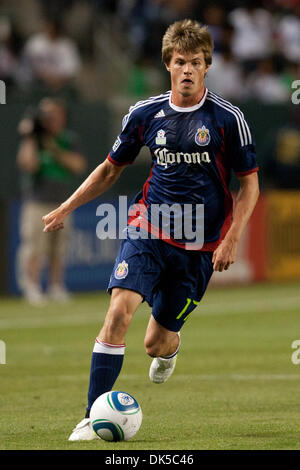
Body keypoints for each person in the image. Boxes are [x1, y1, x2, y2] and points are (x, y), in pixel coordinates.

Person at [42, 19, 259, 440]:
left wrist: (233, 237)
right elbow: (110, 170)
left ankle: (170, 349)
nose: (188, 70)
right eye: (181, 62)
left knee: (155, 343)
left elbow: (249, 183)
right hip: (148, 229)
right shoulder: (145, 114)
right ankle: (91, 414)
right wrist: (66, 207)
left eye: (196, 62)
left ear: (207, 66)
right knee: (118, 312)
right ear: (168, 65)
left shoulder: (228, 119)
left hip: (200, 244)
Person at [17, 97, 87, 304]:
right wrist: (30, 137)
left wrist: (53, 148)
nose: (51, 119)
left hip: (63, 203)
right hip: (38, 200)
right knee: (35, 246)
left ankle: (56, 286)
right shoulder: (34, 141)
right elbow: (27, 164)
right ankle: (32, 286)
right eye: (47, 115)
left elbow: (77, 165)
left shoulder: (68, 139)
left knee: (59, 248)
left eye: (55, 114)